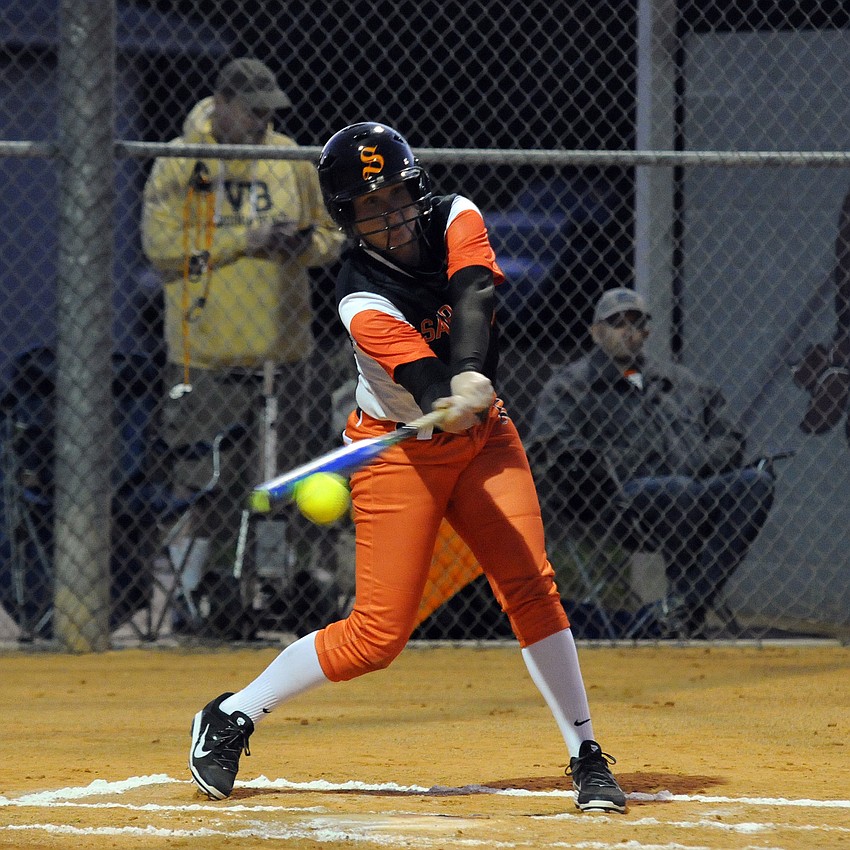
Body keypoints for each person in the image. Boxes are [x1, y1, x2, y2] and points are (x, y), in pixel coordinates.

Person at [187, 122, 626, 814]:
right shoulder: (359, 298)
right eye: (370, 206)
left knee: (531, 585)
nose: (389, 215)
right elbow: (419, 376)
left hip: (484, 439)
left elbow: (474, 291)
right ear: (347, 219)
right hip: (399, 452)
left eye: (396, 195)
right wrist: (442, 395)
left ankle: (586, 753)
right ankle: (233, 712)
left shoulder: (456, 215)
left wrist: (471, 376)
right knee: (377, 637)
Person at [141, 58, 344, 625]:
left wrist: (300, 246)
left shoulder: (289, 157)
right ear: (223, 104)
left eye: (268, 112)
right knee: (207, 485)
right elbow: (160, 247)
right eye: (252, 110)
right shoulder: (181, 160)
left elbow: (331, 236)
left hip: (285, 352)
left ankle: (269, 588)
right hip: (206, 354)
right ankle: (191, 598)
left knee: (281, 486)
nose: (262, 121)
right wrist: (244, 241)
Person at [527, 287, 776, 639]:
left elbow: (730, 436)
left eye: (635, 322)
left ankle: (683, 606)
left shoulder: (681, 382)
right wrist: (601, 469)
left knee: (755, 483)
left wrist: (698, 464)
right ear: (596, 332)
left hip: (693, 488)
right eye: (616, 323)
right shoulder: (572, 386)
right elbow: (548, 445)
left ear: (646, 332)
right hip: (618, 504)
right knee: (677, 490)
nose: (627, 331)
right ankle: (684, 610)